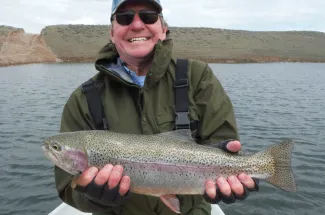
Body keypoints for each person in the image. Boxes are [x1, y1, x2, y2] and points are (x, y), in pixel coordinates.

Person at [54, 0, 259, 214]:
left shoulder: (197, 77)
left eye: (148, 16)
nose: (136, 25)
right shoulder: (83, 99)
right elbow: (68, 187)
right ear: (112, 33)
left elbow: (223, 143)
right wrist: (95, 198)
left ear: (163, 28)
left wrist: (234, 168)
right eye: (124, 18)